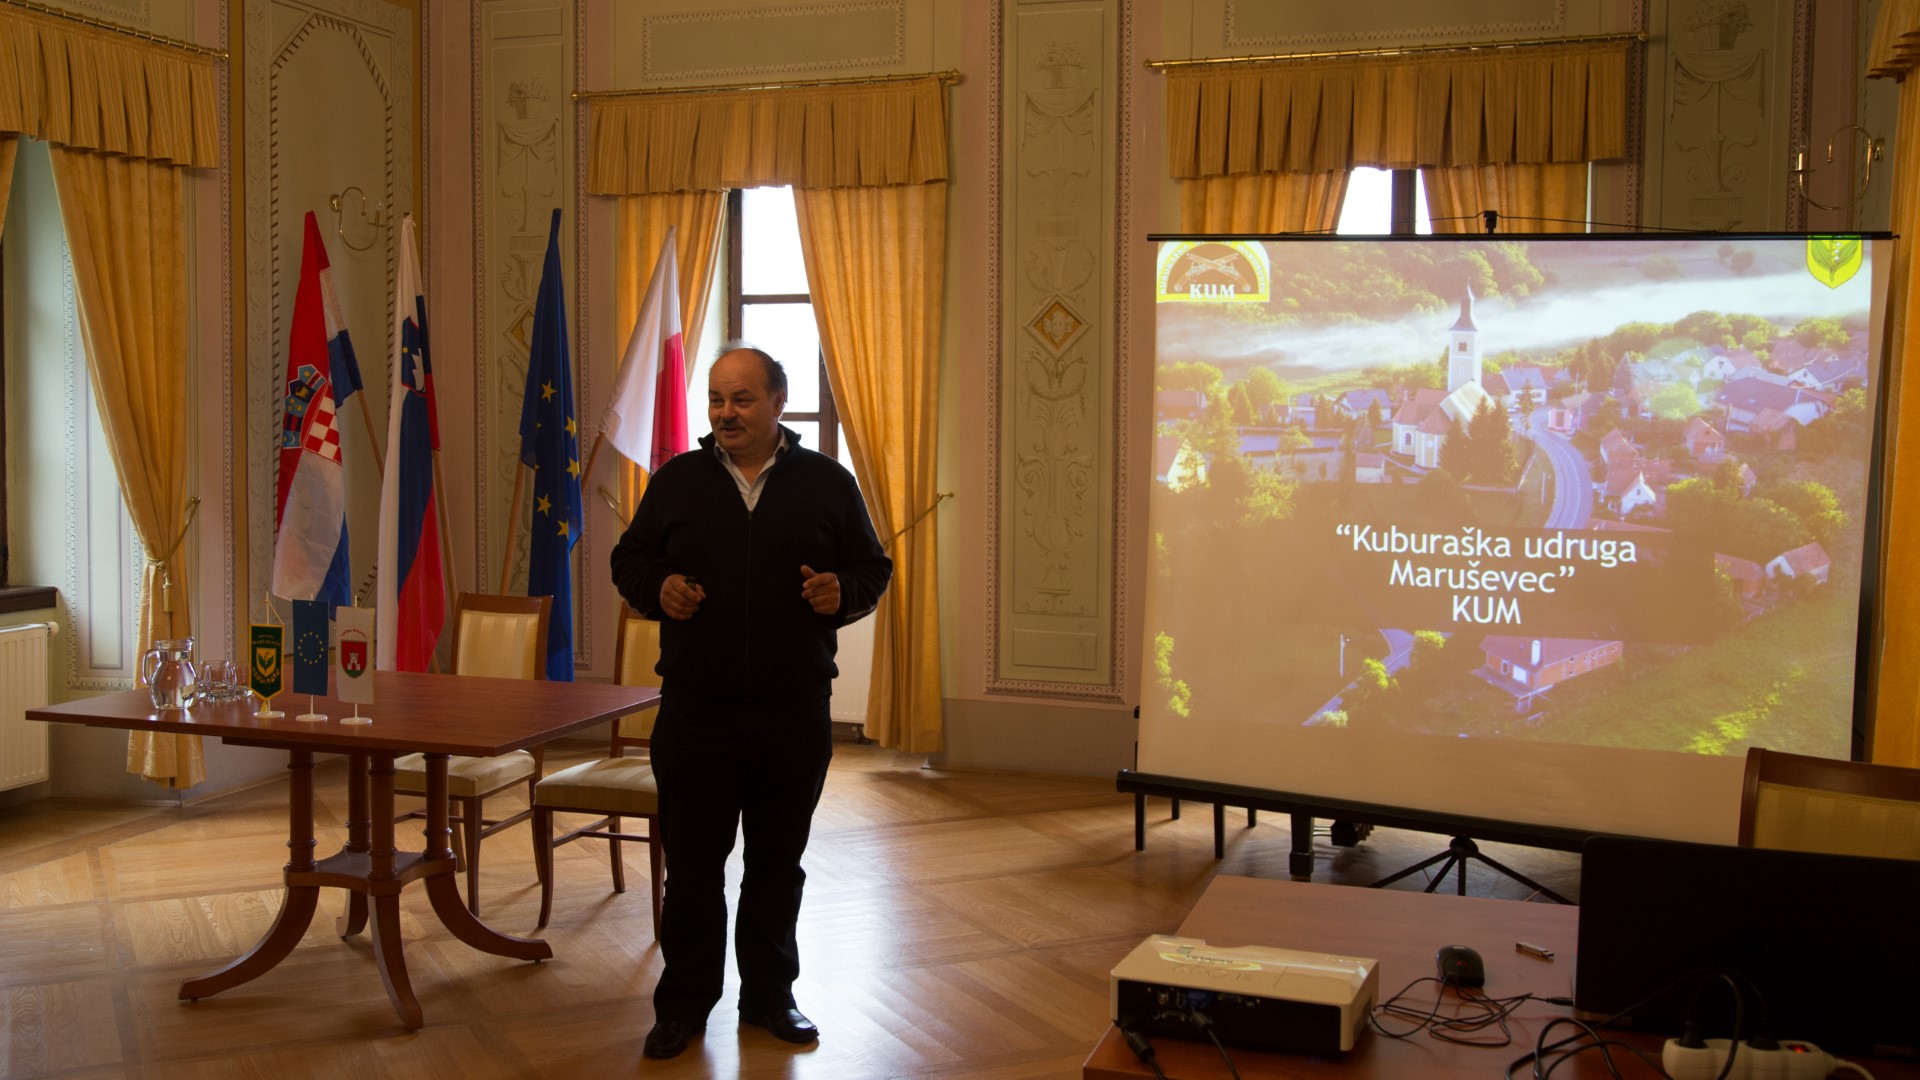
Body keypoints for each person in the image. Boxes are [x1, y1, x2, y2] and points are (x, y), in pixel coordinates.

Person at [609, 343, 892, 1061]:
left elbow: (871, 568)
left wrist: (842, 592)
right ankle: (683, 1005)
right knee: (693, 870)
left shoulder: (828, 482)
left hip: (791, 712)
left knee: (776, 864)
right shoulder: (677, 481)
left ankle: (769, 996)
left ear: (778, 402)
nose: (725, 413)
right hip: (695, 711)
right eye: (716, 399)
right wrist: (658, 587)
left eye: (741, 399)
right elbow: (629, 560)